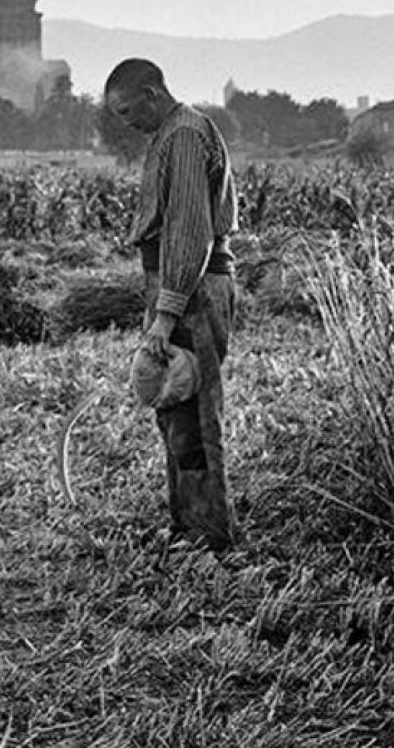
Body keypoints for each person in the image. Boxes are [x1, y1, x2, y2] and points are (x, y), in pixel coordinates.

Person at [103, 58, 240, 551]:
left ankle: (208, 533)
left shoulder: (183, 135)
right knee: (173, 408)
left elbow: (188, 233)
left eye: (127, 110)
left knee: (195, 413)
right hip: (177, 289)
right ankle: (187, 525)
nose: (125, 122)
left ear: (153, 93)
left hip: (192, 291)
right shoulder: (170, 132)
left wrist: (165, 314)